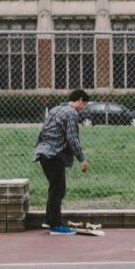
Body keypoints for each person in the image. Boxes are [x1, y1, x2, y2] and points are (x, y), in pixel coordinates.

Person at [33, 89, 91, 235]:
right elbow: (72, 138)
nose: (83, 108)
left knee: (54, 188)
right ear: (79, 100)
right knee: (59, 190)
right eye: (84, 104)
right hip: (54, 155)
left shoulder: (55, 109)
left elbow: (42, 132)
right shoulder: (71, 113)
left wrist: (40, 149)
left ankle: (49, 219)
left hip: (43, 153)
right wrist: (82, 159)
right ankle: (56, 225)